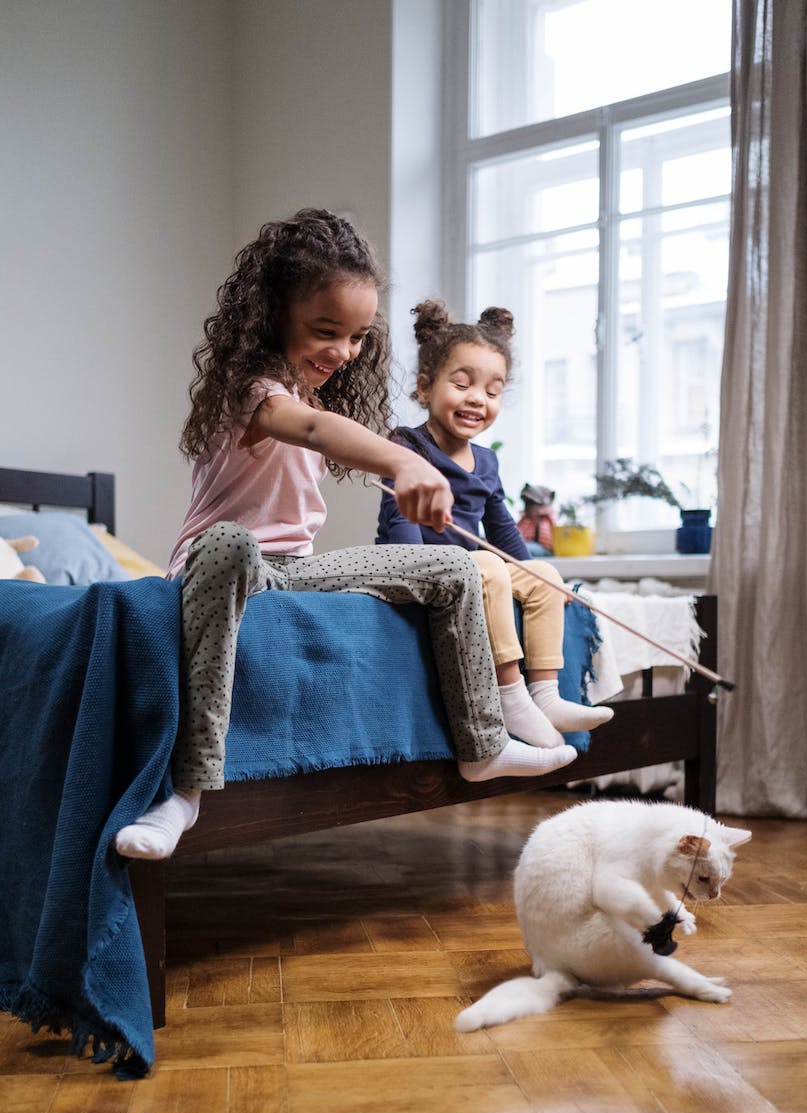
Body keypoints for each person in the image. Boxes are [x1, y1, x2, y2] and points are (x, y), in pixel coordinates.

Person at [115, 212, 578, 861]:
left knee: (452, 571)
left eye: (358, 337)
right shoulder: (255, 392)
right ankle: (184, 793)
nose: (343, 351)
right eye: (326, 331)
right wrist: (404, 460)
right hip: (226, 564)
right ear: (275, 313)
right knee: (227, 540)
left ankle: (481, 744)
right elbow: (306, 428)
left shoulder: (314, 394)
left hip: (292, 571)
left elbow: (322, 428)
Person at [376, 299, 614, 749]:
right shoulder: (407, 445)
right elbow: (399, 518)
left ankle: (544, 693)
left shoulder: (486, 460)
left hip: (468, 567)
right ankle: (509, 695)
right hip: (417, 564)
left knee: (543, 573)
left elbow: (501, 527)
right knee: (482, 567)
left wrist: (531, 577)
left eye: (492, 391)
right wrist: (418, 576)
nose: (477, 399)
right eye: (462, 384)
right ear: (425, 388)